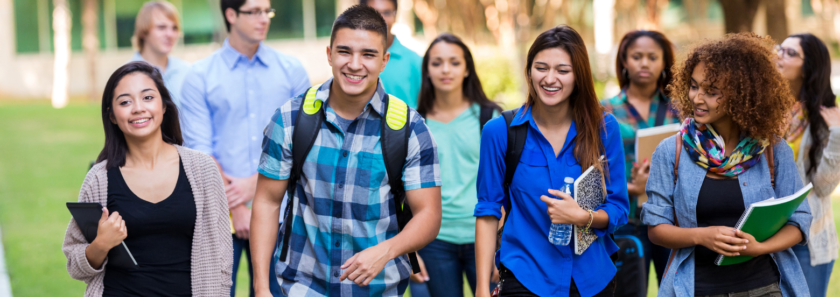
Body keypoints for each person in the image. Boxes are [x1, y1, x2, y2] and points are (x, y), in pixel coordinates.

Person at [249, 5, 442, 297]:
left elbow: (428, 214)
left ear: (384, 60)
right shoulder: (290, 118)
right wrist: (261, 287)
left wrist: (386, 251)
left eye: (368, 54)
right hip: (303, 286)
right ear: (329, 55)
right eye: (344, 51)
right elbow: (266, 202)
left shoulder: (410, 129)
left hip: (379, 289)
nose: (354, 64)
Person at [642, 33, 812, 297]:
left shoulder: (773, 150)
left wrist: (760, 247)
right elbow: (656, 228)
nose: (697, 98)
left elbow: (799, 221)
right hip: (696, 288)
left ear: (741, 95)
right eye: (694, 86)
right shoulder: (670, 151)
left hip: (765, 287)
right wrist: (701, 236)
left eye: (712, 92)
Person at [475, 25, 629, 297]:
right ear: (529, 71)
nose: (550, 78)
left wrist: (583, 217)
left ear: (578, 76)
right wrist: (480, 288)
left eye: (562, 70)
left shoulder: (604, 128)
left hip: (592, 280)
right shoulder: (500, 132)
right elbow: (488, 211)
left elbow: (618, 208)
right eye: (541, 67)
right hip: (526, 276)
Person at [62, 61, 232, 296]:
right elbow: (75, 263)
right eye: (125, 102)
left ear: (164, 106)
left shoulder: (202, 169)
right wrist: (101, 244)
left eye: (148, 97)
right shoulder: (99, 179)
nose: (138, 108)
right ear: (112, 116)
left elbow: (222, 257)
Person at [179, 0, 310, 295]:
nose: (264, 18)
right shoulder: (199, 76)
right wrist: (236, 207)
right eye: (254, 11)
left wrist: (257, 187)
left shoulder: (292, 71)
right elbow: (200, 151)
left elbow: (304, 142)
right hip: (216, 217)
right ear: (230, 15)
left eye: (268, 11)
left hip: (283, 215)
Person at [412, 33, 501, 297]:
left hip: (484, 235)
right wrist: (410, 251)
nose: (446, 70)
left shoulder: (490, 118)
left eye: (454, 62)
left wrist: (502, 244)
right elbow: (398, 191)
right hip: (434, 239)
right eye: (437, 63)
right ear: (427, 69)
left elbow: (506, 183)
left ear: (466, 69)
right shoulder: (414, 122)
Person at [600, 30, 679, 285]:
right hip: (625, 220)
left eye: (652, 57)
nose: (644, 63)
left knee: (678, 289)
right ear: (624, 61)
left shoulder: (680, 110)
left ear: (664, 63)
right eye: (637, 56)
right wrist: (631, 188)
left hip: (672, 218)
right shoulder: (605, 110)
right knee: (627, 290)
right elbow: (592, 167)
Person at [776, 33, 840, 297]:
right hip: (764, 234)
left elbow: (824, 187)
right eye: (780, 49)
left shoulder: (824, 117)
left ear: (809, 66)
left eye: (791, 53)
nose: (780, 55)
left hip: (808, 238)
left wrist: (837, 136)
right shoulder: (766, 108)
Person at [128, 1, 191, 108]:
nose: (170, 34)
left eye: (174, 28)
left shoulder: (187, 71)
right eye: (161, 27)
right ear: (143, 32)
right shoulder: (126, 75)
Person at [361, 0, 422, 108]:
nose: (380, 19)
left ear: (395, 16)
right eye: (373, 12)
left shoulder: (416, 62)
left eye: (387, 13)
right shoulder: (351, 60)